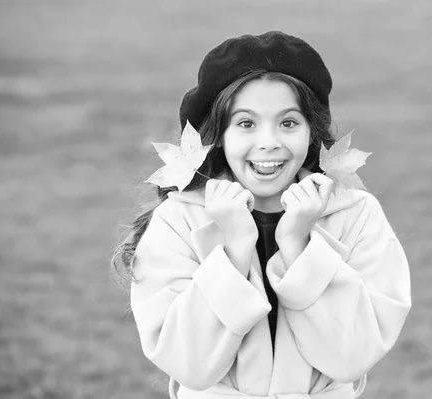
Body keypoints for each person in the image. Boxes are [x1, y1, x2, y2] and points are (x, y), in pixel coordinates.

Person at [113, 31, 411, 399]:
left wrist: (298, 245)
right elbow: (190, 365)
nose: (268, 141)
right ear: (218, 135)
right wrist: (235, 250)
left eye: (288, 123)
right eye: (246, 123)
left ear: (311, 132)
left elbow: (350, 358)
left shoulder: (356, 214)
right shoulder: (180, 220)